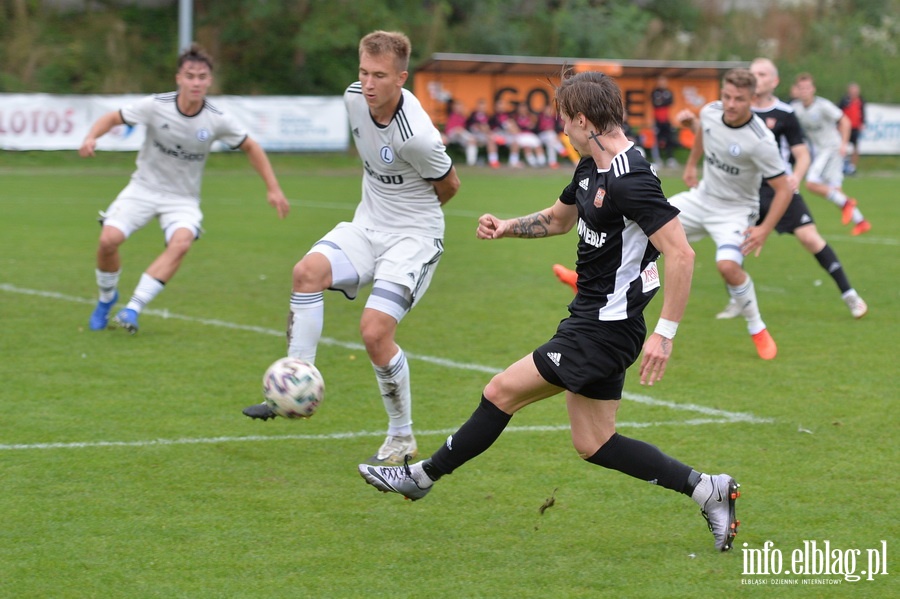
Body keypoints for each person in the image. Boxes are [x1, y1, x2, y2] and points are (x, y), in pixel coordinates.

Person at [359, 70, 741, 553]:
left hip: (605, 328)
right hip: (594, 321)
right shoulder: (589, 166)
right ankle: (708, 488)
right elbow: (559, 219)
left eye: (565, 121)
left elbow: (682, 253)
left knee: (501, 392)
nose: (562, 130)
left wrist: (665, 333)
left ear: (584, 120)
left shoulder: (632, 179)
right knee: (596, 443)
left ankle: (422, 475)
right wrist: (507, 227)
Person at [242, 31, 461, 467]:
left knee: (374, 332)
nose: (369, 83)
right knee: (306, 272)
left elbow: (450, 186)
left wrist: (409, 218)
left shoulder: (417, 135)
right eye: (363, 72)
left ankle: (401, 436)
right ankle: (295, 381)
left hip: (413, 237)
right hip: (367, 225)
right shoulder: (353, 99)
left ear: (402, 78)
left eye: (380, 75)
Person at [82, 43, 289, 334]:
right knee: (108, 241)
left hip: (182, 198)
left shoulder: (217, 119)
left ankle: (133, 308)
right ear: (179, 77)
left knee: (181, 242)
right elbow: (113, 117)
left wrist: (273, 188)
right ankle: (106, 299)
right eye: (190, 76)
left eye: (202, 77)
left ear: (209, 81)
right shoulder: (156, 105)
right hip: (143, 187)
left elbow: (251, 146)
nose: (196, 82)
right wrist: (92, 137)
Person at [715, 59, 867, 320]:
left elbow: (801, 152)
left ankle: (849, 294)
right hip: (744, 191)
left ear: (774, 81)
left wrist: (796, 176)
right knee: (732, 245)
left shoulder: (785, 113)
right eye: (752, 73)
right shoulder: (732, 110)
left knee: (810, 237)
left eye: (762, 74)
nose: (756, 77)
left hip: (779, 189)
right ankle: (737, 300)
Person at [672, 68, 793, 360]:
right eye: (726, 96)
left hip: (736, 212)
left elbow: (785, 189)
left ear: (752, 98)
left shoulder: (761, 140)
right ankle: (593, 281)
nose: (730, 104)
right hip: (702, 199)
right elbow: (703, 132)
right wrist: (691, 165)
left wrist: (764, 229)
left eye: (739, 99)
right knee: (639, 223)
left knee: (727, 266)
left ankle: (757, 327)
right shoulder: (711, 112)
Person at [792, 73, 871, 236]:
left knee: (811, 183)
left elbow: (845, 121)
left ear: (813, 89)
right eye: (801, 88)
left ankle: (848, 204)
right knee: (835, 191)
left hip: (832, 149)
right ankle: (861, 222)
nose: (804, 91)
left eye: (807, 88)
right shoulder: (796, 108)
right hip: (821, 150)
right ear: (797, 90)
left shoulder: (822, 105)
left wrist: (843, 144)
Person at [838, 82, 866, 175]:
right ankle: (842, 166)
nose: (855, 92)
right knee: (843, 146)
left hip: (855, 127)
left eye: (856, 90)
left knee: (855, 147)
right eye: (853, 90)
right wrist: (838, 124)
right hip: (845, 128)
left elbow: (862, 113)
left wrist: (863, 122)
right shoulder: (844, 101)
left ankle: (852, 167)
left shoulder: (860, 101)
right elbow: (838, 112)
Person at [651, 75, 678, 168]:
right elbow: (655, 103)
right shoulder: (655, 92)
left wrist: (661, 101)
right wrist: (662, 101)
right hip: (657, 120)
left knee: (669, 139)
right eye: (660, 81)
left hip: (666, 120)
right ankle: (657, 160)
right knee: (656, 140)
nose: (662, 83)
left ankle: (670, 158)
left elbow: (669, 101)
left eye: (664, 82)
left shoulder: (668, 92)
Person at [465, 99, 501, 168]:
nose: (482, 109)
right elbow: (469, 126)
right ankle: (471, 162)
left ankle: (493, 161)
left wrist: (486, 130)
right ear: (477, 107)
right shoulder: (472, 115)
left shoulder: (489, 116)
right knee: (472, 141)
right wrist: (479, 127)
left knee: (491, 141)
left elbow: (492, 128)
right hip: (474, 135)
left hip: (485, 136)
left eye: (484, 107)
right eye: (480, 107)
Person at [443, 99, 479, 166]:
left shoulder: (464, 117)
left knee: (471, 143)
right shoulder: (451, 115)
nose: (459, 108)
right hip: (450, 136)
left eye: (460, 107)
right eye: (457, 107)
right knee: (458, 130)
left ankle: (471, 163)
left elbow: (469, 125)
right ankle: (471, 138)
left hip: (460, 137)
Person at [489, 99, 523, 168]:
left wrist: (512, 129)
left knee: (515, 142)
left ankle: (513, 162)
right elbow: (490, 130)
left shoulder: (509, 116)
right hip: (497, 135)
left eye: (502, 106)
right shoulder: (493, 117)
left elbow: (515, 128)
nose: (501, 107)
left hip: (507, 135)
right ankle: (493, 161)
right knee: (490, 140)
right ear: (496, 107)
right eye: (499, 106)